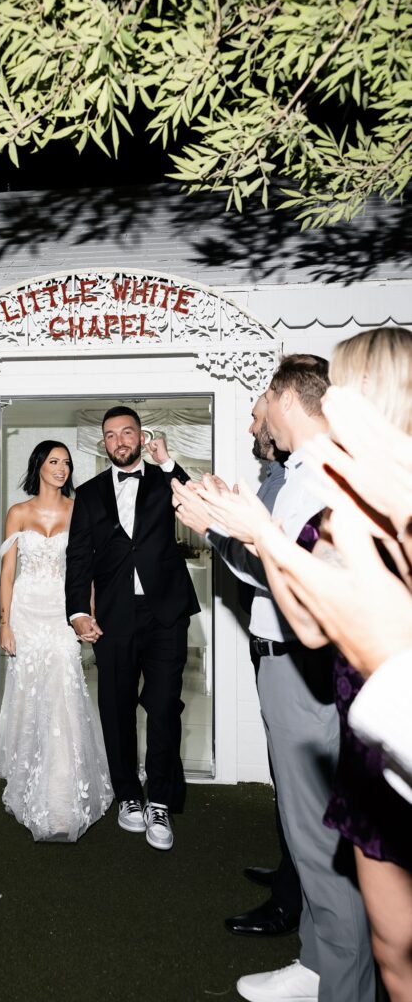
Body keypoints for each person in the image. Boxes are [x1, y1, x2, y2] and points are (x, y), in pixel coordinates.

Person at [173, 355, 375, 1002]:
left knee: (319, 837)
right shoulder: (294, 474)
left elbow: (299, 582)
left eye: (261, 399)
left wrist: (226, 532)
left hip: (307, 665)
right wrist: (231, 529)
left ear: (283, 398)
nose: (256, 414)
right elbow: (270, 562)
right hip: (283, 660)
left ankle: (341, 983)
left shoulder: (323, 477)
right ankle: (316, 963)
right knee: (303, 827)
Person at [252, 331, 412, 1002]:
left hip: (382, 716)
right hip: (364, 713)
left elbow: (317, 624)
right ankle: (321, 967)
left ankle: (331, 979)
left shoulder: (350, 486)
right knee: (393, 949)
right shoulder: (340, 484)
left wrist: (252, 534)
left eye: (342, 385)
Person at [182, 396, 301, 937]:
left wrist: (213, 528)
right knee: (290, 785)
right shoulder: (278, 475)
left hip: (294, 654)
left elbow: (273, 570)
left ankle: (293, 902)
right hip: (272, 644)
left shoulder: (304, 481)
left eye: (258, 416)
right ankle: (290, 875)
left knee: (303, 793)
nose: (253, 424)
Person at [65, 406, 199, 851]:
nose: (119, 440)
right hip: (114, 617)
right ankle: (128, 796)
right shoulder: (87, 494)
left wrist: (166, 461)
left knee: (163, 707)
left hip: (165, 615)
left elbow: (195, 500)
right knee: (117, 709)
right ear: (103, 443)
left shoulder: (165, 479)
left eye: (127, 432)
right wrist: (77, 612)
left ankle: (159, 800)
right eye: (110, 435)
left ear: (141, 437)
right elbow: (78, 558)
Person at [0, 441, 113, 842]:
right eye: (53, 461)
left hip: (63, 613)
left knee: (64, 696)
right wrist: (4, 624)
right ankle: (28, 776)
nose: (61, 468)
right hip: (26, 614)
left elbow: (87, 571)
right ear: (39, 466)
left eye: (66, 462)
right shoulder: (18, 512)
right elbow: (8, 572)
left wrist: (88, 614)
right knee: (30, 697)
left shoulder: (79, 511)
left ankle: (61, 799)